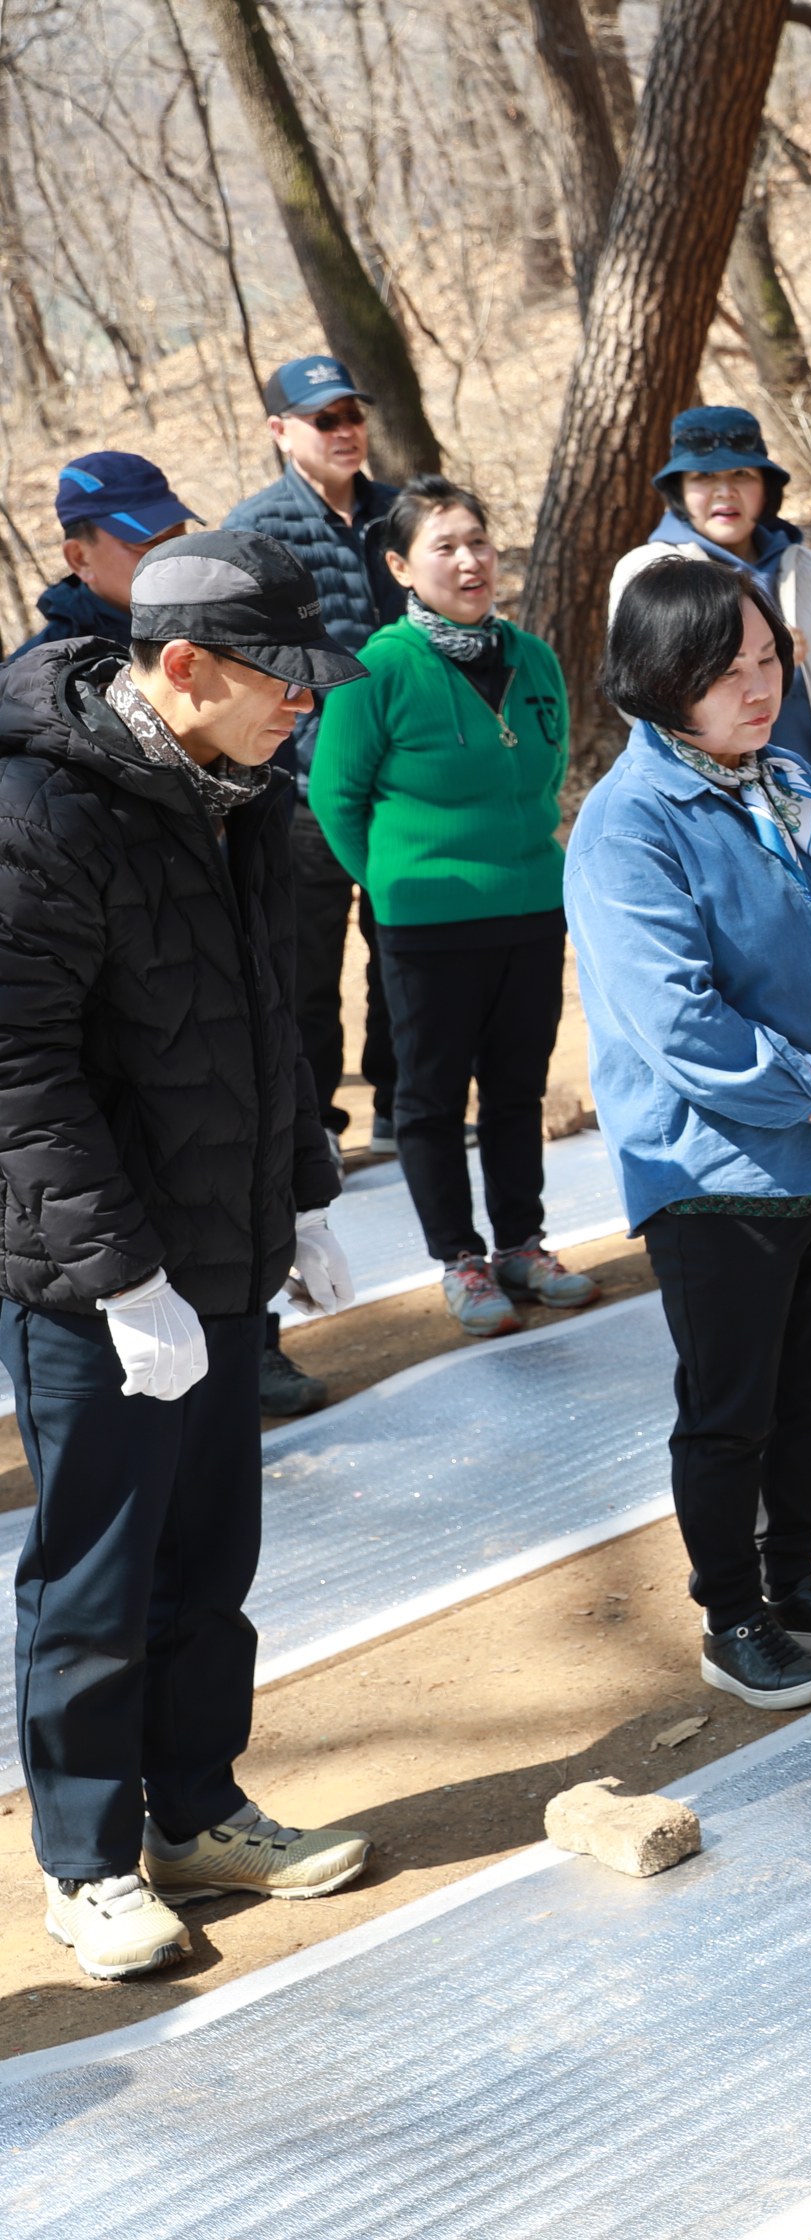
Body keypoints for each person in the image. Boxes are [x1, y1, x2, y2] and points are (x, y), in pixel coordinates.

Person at [0, 530, 375, 1981]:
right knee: (98, 1574)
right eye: (282, 679)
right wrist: (119, 1276)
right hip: (99, 1278)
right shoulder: (40, 812)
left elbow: (268, 1017)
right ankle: (87, 1862)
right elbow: (20, 1075)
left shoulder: (240, 792)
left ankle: (198, 1809)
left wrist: (305, 1193)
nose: (306, 702)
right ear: (183, 667)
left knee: (210, 1557)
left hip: (221, 1247)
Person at [566, 559, 811, 1712]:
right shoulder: (628, 823)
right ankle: (732, 1613)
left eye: (771, 661)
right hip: (712, 1164)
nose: (759, 688)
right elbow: (676, 1017)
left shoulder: (794, 781)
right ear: (663, 678)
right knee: (731, 1407)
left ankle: (795, 1574)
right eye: (728, 672)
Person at [308, 476, 591, 1339]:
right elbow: (334, 797)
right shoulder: (379, 668)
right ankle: (459, 1259)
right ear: (401, 566)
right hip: (425, 924)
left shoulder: (534, 658)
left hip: (531, 909)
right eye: (445, 547)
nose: (470, 561)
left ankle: (522, 1245)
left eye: (478, 542)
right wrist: (394, 887)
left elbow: (551, 768)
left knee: (517, 1089)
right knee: (430, 1100)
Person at [225, 354, 402, 1418]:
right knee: (304, 971)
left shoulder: (395, 514)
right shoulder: (259, 529)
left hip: (400, 788)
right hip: (298, 787)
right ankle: (318, 1124)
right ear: (281, 430)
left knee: (400, 961)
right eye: (321, 416)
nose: (343, 428)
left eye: (350, 413)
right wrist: (286, 768)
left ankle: (397, 1106)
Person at [607, 405, 811, 870]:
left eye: (742, 474)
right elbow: (637, 698)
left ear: (767, 487)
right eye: (703, 477)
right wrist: (754, 657)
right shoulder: (649, 572)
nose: (724, 491)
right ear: (679, 490)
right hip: (712, 822)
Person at [9, 451, 198, 660]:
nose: (170, 556)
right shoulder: (42, 670)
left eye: (176, 537)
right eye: (146, 542)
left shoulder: (218, 617)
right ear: (80, 559)